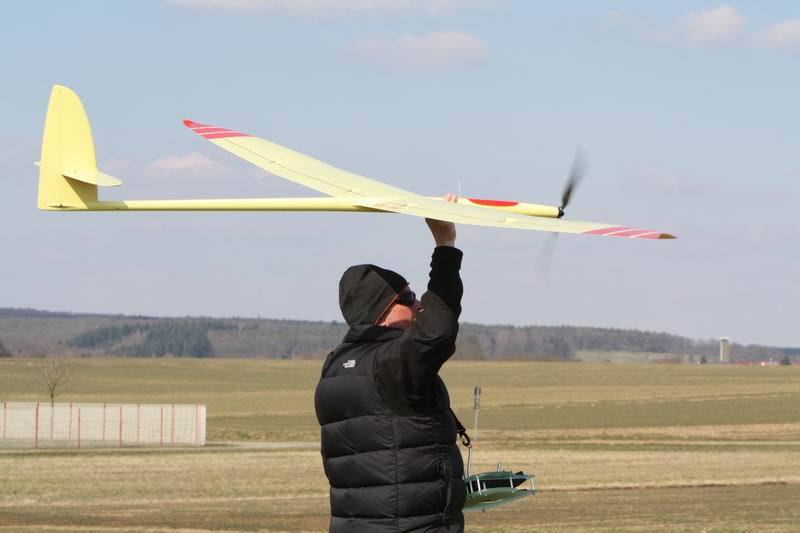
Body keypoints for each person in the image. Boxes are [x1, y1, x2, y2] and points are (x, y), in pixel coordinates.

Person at [314, 194, 467, 532]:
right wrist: (445, 245)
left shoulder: (334, 367)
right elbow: (437, 331)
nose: (418, 306)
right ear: (381, 311)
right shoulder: (390, 367)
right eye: (409, 298)